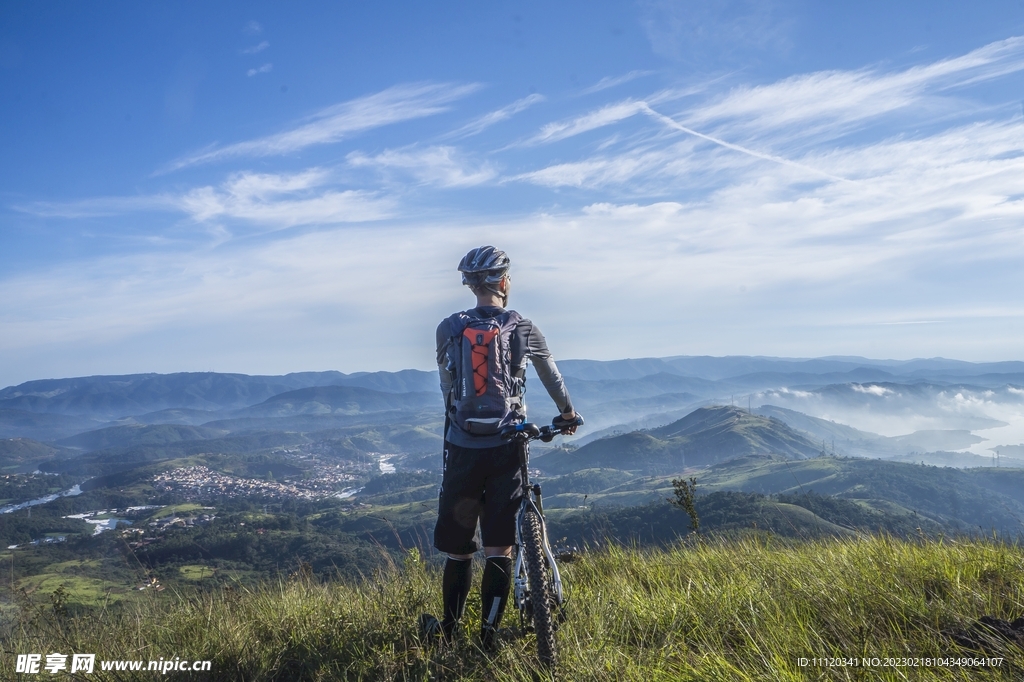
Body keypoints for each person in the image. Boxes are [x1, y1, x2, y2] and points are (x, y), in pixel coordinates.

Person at [421, 245, 578, 651]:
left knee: (459, 552)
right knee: (499, 548)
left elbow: (446, 387)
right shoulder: (523, 326)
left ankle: (449, 633)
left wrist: (459, 425)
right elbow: (552, 377)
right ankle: (488, 637)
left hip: (461, 447)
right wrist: (567, 414)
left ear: (470, 285)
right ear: (505, 281)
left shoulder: (448, 328)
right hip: (507, 446)